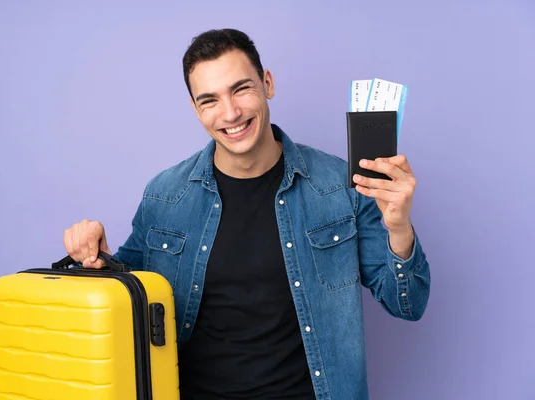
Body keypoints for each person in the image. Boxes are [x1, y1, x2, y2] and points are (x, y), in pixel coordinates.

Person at [62, 28, 431, 400]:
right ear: (195, 109)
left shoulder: (340, 185)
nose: (230, 113)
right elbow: (128, 302)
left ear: (267, 83)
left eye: (241, 89)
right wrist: (96, 256)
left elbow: (408, 304)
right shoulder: (165, 195)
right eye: (210, 100)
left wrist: (399, 229)